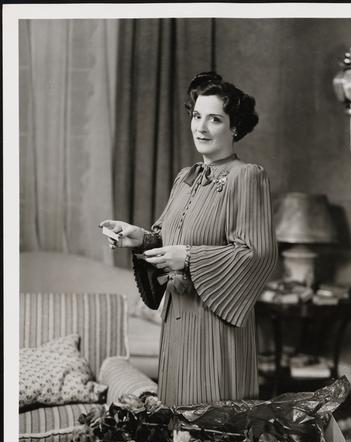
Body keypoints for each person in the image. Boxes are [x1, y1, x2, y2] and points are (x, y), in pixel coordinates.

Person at [100, 72, 278, 406]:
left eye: (215, 119)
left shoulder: (247, 176)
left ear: (235, 127)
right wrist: (139, 238)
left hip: (216, 322)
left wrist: (190, 257)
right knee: (177, 419)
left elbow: (258, 253)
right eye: (197, 116)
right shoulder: (186, 178)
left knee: (211, 418)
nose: (201, 127)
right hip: (178, 317)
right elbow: (168, 240)